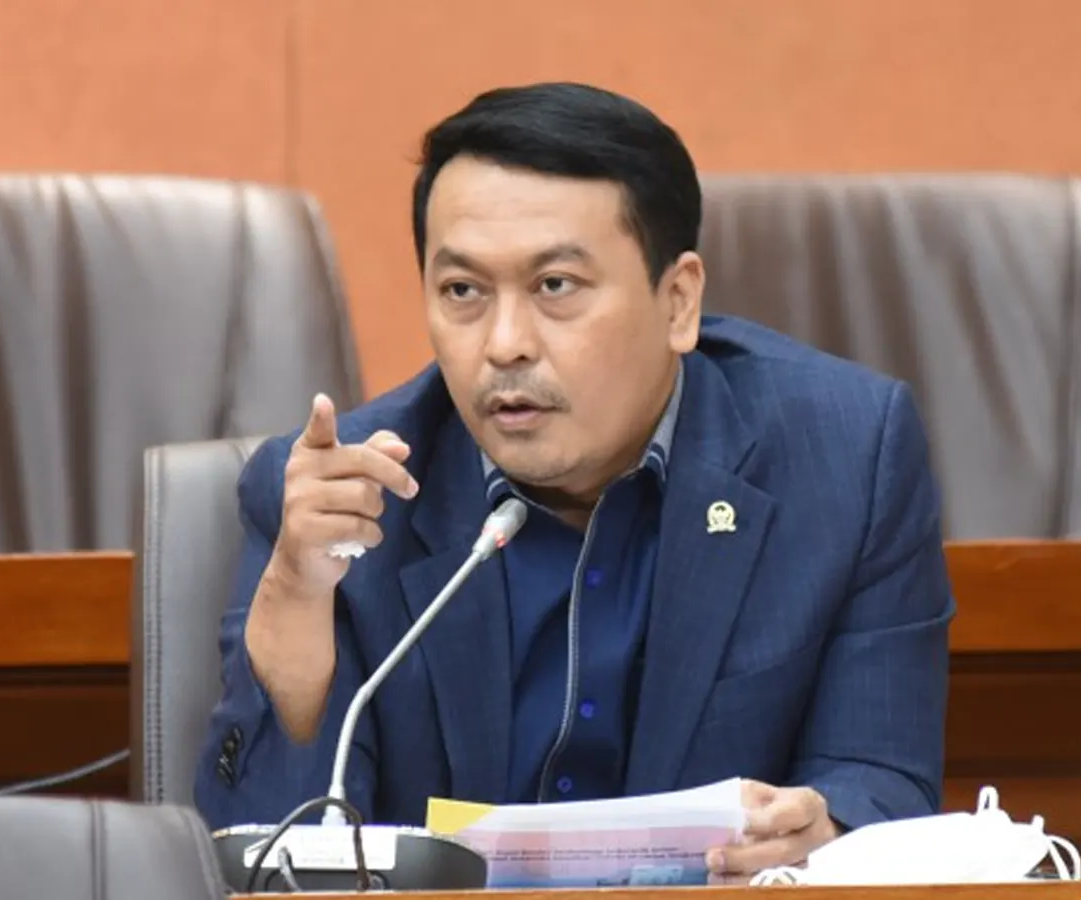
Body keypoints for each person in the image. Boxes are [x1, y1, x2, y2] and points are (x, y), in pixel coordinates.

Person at [194, 81, 954, 878]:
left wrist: (825, 832)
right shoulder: (344, 502)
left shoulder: (844, 458)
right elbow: (261, 860)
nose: (505, 344)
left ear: (678, 302)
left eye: (555, 286)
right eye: (463, 291)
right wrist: (294, 606)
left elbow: (882, 779)